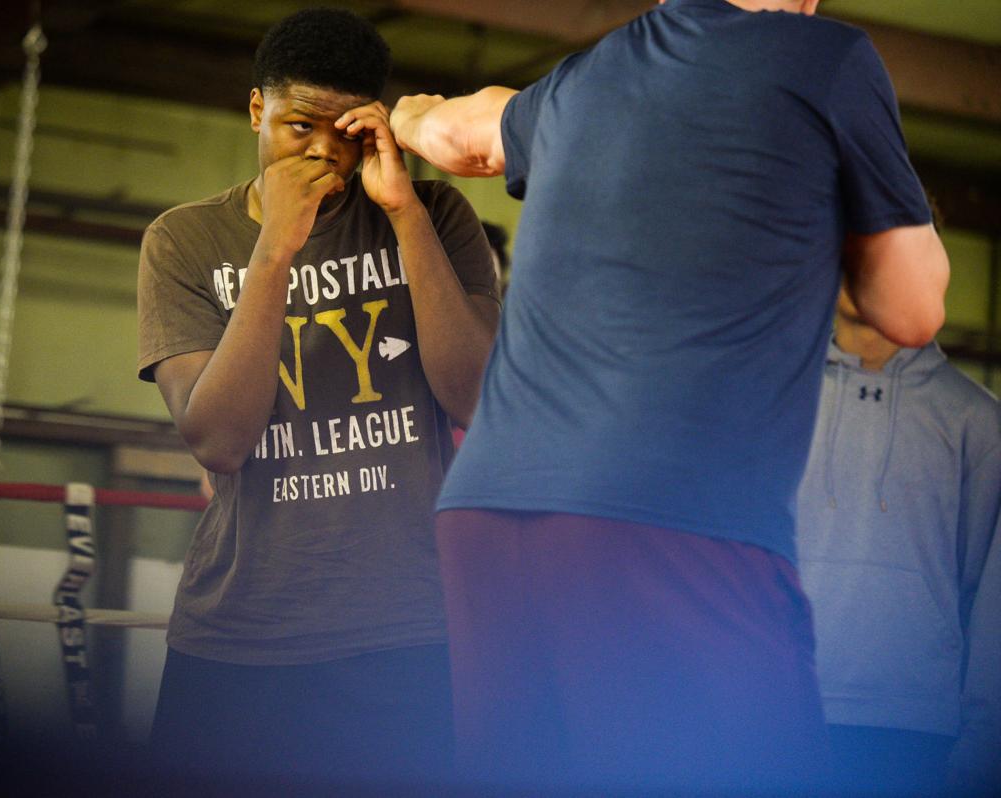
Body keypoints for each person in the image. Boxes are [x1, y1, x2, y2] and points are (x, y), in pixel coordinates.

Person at [378, 0, 949, 791]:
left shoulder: (584, 77)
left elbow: (458, 134)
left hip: (487, 515)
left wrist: (407, 115)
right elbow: (912, 309)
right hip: (667, 512)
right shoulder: (829, 60)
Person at [136, 7, 500, 787]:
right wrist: (275, 249)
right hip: (241, 628)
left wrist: (403, 212)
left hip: (404, 627)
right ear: (257, 108)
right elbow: (218, 439)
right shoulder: (185, 240)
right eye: (301, 124)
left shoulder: (435, 215)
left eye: (346, 130)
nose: (323, 150)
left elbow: (475, 398)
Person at [796, 281, 1001, 797]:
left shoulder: (979, 421)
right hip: (777, 710)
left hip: (917, 735)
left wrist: (983, 751)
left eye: (885, 238)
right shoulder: (773, 398)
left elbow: (992, 605)